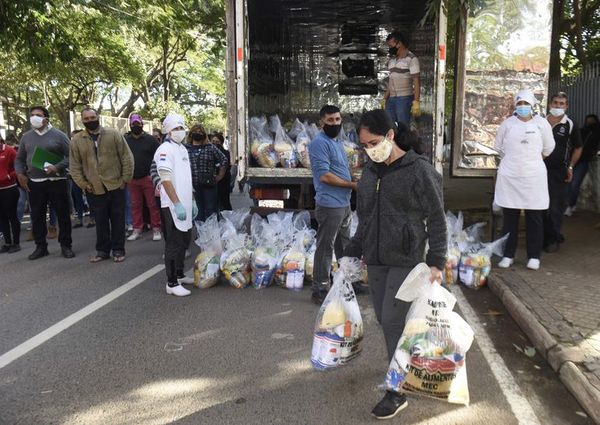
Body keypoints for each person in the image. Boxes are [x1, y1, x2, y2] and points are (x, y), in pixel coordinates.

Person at [344, 109, 446, 420]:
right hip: (376, 260)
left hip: (407, 259)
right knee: (385, 320)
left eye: (373, 142)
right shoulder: (371, 172)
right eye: (364, 146)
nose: (369, 150)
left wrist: (436, 261)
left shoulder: (419, 170)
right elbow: (365, 217)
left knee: (391, 321)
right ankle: (400, 363)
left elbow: (437, 219)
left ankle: (397, 390)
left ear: (390, 135)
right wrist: (352, 251)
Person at [495, 90, 555, 270]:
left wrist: (532, 161)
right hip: (510, 175)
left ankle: (534, 256)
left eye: (525, 104)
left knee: (534, 215)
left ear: (532, 105)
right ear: (515, 105)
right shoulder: (508, 124)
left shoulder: (542, 124)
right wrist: (515, 161)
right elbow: (499, 146)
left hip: (534, 176)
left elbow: (548, 147)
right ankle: (508, 254)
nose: (522, 107)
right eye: (519, 104)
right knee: (510, 217)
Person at [70, 107, 134, 263]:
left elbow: (127, 157)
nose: (90, 121)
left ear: (98, 117)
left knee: (118, 220)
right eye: (86, 119)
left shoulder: (113, 134)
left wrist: (125, 179)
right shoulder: (77, 140)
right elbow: (74, 166)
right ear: (82, 120)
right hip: (94, 188)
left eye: (93, 117)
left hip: (115, 185)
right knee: (100, 221)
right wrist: (84, 184)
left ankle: (118, 250)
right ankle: (103, 251)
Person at [308, 105, 355, 305]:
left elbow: (341, 168)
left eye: (337, 119)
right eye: (330, 120)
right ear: (322, 122)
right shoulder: (319, 143)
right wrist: (352, 184)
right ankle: (319, 287)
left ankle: (347, 281)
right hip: (330, 204)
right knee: (325, 247)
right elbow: (324, 176)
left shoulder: (336, 142)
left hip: (343, 203)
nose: (335, 123)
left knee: (344, 245)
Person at [15, 106, 74, 260]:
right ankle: (41, 247)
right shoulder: (26, 137)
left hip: (57, 181)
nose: (34, 117)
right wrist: (20, 173)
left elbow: (71, 156)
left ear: (46, 118)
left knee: (62, 215)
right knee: (37, 216)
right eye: (32, 115)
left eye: (38, 115)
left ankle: (66, 245)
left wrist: (58, 167)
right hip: (35, 182)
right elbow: (20, 159)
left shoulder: (59, 135)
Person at [154, 114, 197, 296]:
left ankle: (179, 274)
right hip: (172, 205)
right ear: (167, 131)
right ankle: (171, 283)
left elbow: (186, 179)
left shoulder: (183, 149)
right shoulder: (164, 150)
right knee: (173, 243)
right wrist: (177, 203)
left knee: (184, 241)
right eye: (175, 129)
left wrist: (192, 201)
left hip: (186, 203)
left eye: (181, 128)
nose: (180, 131)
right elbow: (165, 180)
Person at [543, 92, 582, 252]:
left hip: (558, 172)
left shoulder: (570, 125)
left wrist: (571, 167)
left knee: (555, 207)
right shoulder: (540, 122)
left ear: (566, 107)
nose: (558, 106)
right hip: (538, 170)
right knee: (539, 207)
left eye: (561, 104)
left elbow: (578, 147)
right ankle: (541, 238)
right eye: (555, 103)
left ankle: (553, 239)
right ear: (550, 104)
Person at [125, 113, 162, 241]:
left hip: (148, 177)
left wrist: (155, 175)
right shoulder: (126, 141)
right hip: (132, 179)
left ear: (142, 124)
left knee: (152, 205)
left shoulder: (151, 140)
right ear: (130, 124)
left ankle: (156, 228)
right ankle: (137, 229)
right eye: (133, 123)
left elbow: (159, 157)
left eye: (138, 123)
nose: (136, 125)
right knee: (135, 205)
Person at [186, 124, 227, 222]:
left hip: (209, 185)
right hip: (192, 185)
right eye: (195, 131)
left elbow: (224, 160)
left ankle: (211, 234)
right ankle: (200, 234)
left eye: (200, 132)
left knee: (210, 211)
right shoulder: (185, 148)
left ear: (204, 135)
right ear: (191, 134)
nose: (198, 133)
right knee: (197, 211)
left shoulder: (210, 148)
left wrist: (220, 176)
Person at [384, 31, 421, 126]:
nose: (389, 49)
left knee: (403, 126)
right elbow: (391, 81)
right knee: (389, 126)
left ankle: (403, 141)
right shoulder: (392, 60)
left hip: (404, 99)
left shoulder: (412, 59)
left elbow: (416, 81)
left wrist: (416, 101)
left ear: (399, 43)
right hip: (391, 98)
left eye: (391, 45)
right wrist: (385, 98)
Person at [566, 114, 600, 215]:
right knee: (569, 182)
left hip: (584, 160)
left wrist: (593, 152)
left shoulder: (597, 132)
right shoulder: (582, 131)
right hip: (574, 158)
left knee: (575, 183)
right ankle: (570, 205)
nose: (589, 123)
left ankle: (570, 206)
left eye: (592, 122)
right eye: (588, 121)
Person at [0, 134, 21, 253]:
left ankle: (16, 243)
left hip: (9, 189)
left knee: (12, 216)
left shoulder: (9, 151)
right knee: (2, 218)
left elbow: (19, 167)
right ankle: (7, 243)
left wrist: (9, 176)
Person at [210, 132, 233, 211]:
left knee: (224, 201)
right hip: (212, 181)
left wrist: (219, 175)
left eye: (217, 142)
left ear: (221, 143)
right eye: (213, 141)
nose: (215, 144)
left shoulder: (226, 153)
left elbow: (226, 165)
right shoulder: (209, 152)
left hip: (224, 181)